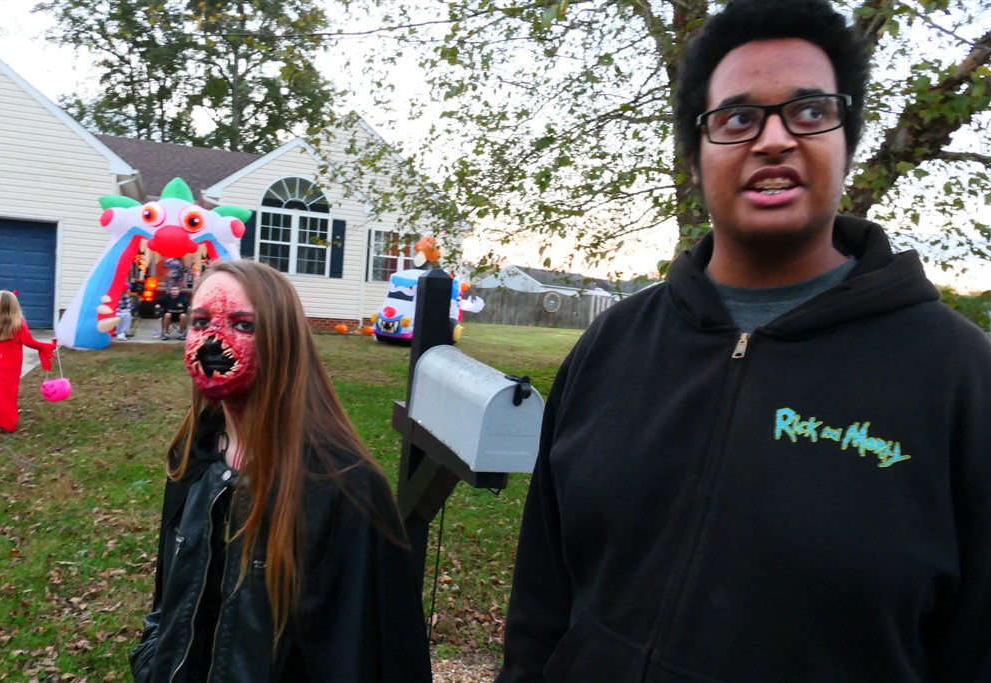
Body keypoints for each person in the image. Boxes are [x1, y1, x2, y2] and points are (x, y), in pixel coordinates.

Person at [497, 1, 991, 682]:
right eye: (737, 118)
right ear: (695, 157)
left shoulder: (961, 380)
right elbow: (540, 608)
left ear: (847, 141)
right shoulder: (610, 347)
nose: (774, 139)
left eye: (810, 111)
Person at [129, 260, 432, 682]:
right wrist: (152, 661)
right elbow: (169, 600)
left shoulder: (345, 488)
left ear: (282, 342)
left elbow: (369, 654)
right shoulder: (194, 455)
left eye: (242, 325)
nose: (213, 340)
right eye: (200, 322)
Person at [0, 290, 56, 432]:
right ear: (15, 306)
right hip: (11, 364)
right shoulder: (18, 324)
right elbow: (29, 342)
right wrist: (45, 346)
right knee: (8, 394)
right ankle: (6, 424)